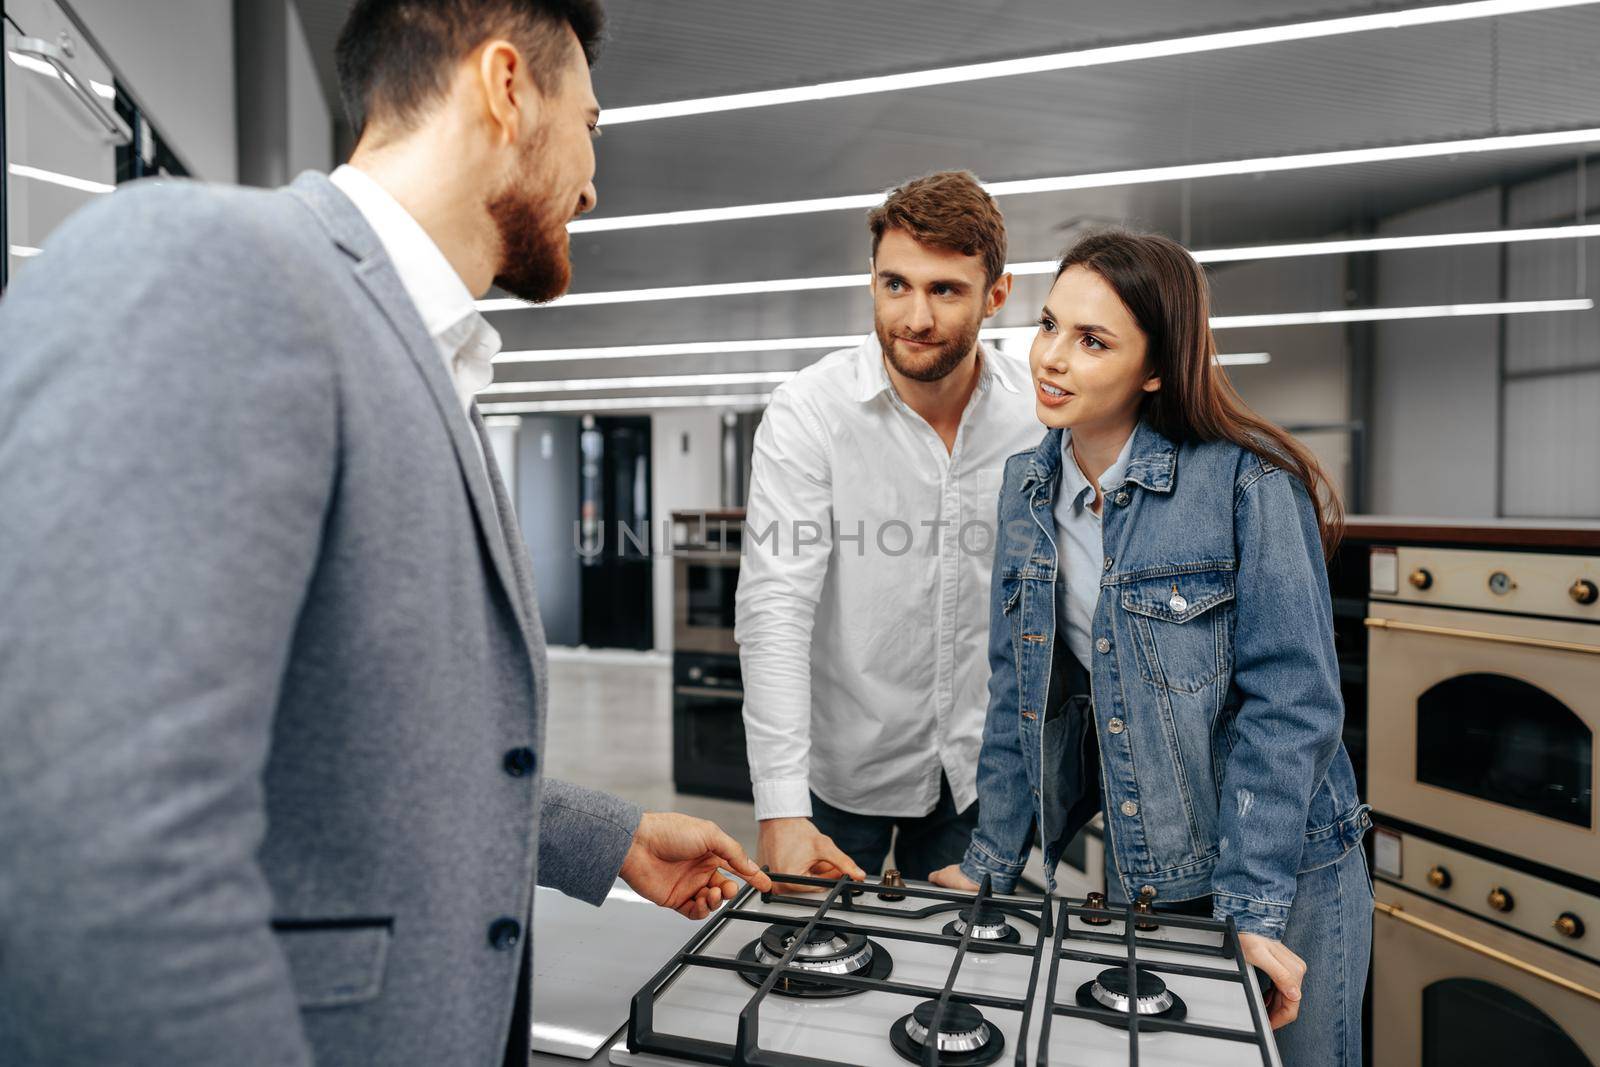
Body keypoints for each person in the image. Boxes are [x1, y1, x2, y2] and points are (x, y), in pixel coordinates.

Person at [0, 2, 770, 1064]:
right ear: (506, 86)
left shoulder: (416, 356)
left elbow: (348, 737)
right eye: (591, 125)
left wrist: (613, 837)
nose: (593, 181)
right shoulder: (208, 266)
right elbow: (89, 843)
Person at [930, 230, 1372, 1065]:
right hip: (1152, 872)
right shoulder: (1027, 484)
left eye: (1092, 340)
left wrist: (1253, 909)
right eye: (1050, 325)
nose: (1052, 359)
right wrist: (990, 860)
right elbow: (1019, 689)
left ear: (1157, 367)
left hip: (1286, 871)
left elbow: (1294, 706)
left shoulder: (1246, 482)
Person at [736, 171, 1042, 888]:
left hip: (981, 775)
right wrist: (780, 806)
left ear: (996, 295)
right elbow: (775, 607)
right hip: (839, 772)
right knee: (812, 983)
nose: (915, 316)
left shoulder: (1038, 415)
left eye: (945, 289)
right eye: (895, 284)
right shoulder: (809, 411)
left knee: (969, 986)